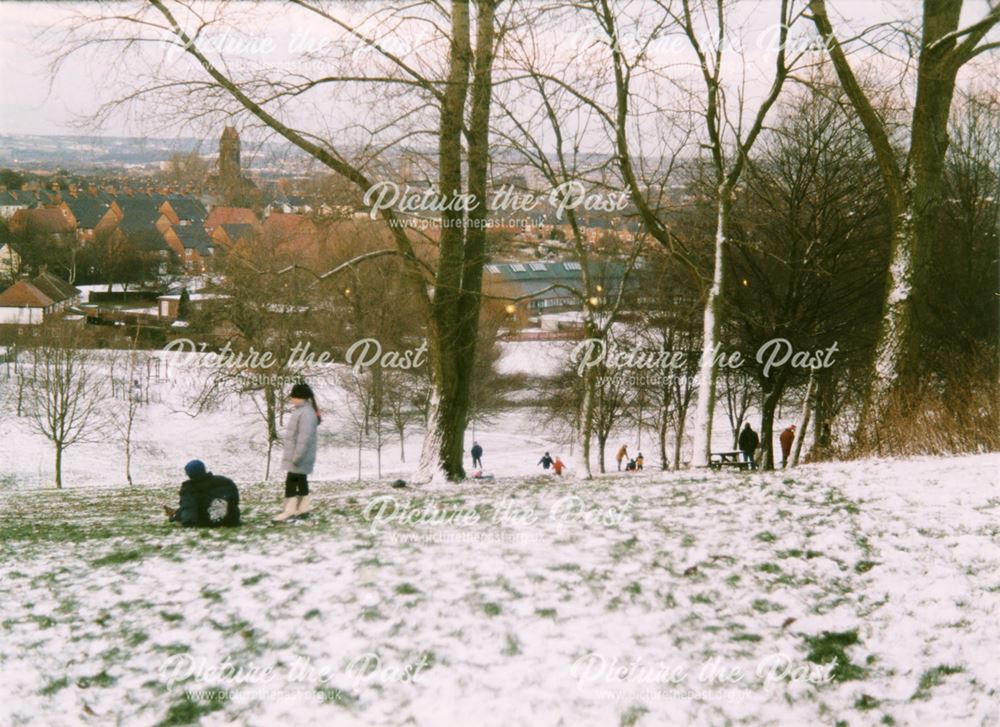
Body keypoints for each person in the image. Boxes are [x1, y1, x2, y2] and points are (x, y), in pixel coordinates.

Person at [274, 382, 321, 523]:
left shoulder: (306, 413)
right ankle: (303, 509)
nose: (291, 399)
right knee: (300, 481)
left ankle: (290, 511)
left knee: (291, 482)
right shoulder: (303, 411)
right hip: (299, 456)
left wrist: (297, 457)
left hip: (299, 457)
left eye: (293, 397)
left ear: (301, 398)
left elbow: (304, 438)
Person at [163, 460, 240, 527]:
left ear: (189, 474)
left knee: (184, 509)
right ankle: (176, 513)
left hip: (207, 522)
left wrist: (186, 523)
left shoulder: (189, 488)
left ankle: (175, 514)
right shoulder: (225, 481)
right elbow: (235, 500)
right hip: (231, 520)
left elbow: (189, 509)